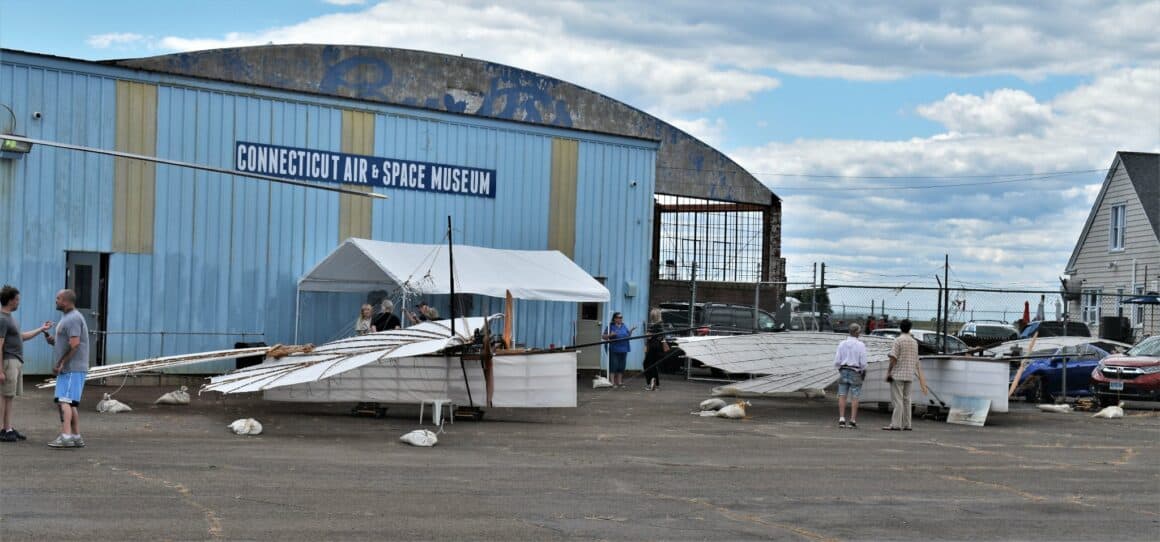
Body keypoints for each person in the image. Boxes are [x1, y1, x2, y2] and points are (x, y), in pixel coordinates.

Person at [0, 285, 53, 442]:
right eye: (17, 300)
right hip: (8, 362)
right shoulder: (2, 319)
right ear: (10, 300)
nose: (18, 302)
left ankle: (7, 428)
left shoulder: (10, 319)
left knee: (9, 396)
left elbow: (21, 337)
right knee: (3, 396)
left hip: (15, 361)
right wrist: (0, 370)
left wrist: (41, 329)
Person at [48, 289, 90, 449]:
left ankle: (65, 436)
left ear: (66, 301)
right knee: (70, 403)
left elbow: (75, 344)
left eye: (58, 298)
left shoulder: (73, 318)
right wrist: (54, 341)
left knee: (63, 401)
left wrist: (61, 363)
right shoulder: (67, 317)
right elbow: (68, 342)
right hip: (70, 368)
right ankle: (76, 436)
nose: (56, 301)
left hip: (72, 368)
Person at [883, 319, 928, 431]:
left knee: (897, 401)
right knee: (907, 400)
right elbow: (916, 359)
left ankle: (896, 424)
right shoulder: (914, 342)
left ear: (900, 328)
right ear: (910, 328)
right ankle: (907, 424)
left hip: (898, 374)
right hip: (909, 374)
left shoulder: (898, 340)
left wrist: (889, 372)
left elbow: (893, 357)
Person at [833, 322, 867, 428]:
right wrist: (862, 371)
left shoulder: (842, 344)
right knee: (855, 396)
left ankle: (841, 418)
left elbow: (837, 361)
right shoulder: (861, 345)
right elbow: (863, 363)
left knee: (842, 395)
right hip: (855, 371)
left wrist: (840, 368)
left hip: (843, 370)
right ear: (857, 332)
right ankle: (852, 420)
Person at [603, 312, 635, 388]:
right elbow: (604, 337)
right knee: (614, 365)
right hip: (614, 349)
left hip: (624, 348)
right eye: (619, 317)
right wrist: (611, 335)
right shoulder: (611, 326)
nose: (620, 319)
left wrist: (631, 331)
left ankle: (620, 382)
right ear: (615, 318)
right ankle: (612, 382)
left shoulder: (624, 326)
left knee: (621, 366)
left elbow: (628, 335)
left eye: (621, 317)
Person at [642, 308, 668, 391]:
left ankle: (651, 383)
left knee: (647, 364)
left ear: (653, 316)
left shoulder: (655, 325)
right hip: (658, 347)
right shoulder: (660, 325)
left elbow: (649, 336)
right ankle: (655, 383)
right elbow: (661, 336)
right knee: (653, 364)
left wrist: (647, 334)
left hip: (653, 346)